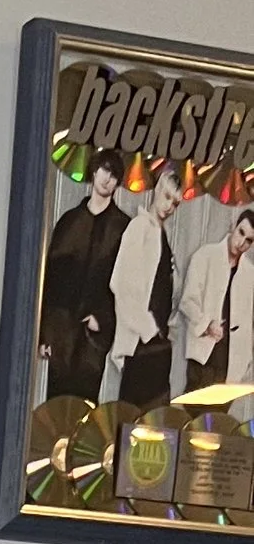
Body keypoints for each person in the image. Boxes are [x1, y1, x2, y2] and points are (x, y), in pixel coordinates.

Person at [41, 151, 129, 400]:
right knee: (55, 409)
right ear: (94, 170)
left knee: (85, 408)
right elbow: (51, 279)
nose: (107, 179)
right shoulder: (69, 221)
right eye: (104, 170)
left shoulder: (123, 227)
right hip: (61, 331)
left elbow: (127, 284)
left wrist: (103, 320)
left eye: (114, 175)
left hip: (93, 337)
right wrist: (44, 334)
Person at [112, 166, 185, 413]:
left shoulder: (161, 235)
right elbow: (121, 284)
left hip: (158, 345)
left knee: (156, 425)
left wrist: (165, 333)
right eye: (166, 197)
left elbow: (167, 292)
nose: (169, 207)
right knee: (132, 421)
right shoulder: (139, 228)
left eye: (175, 204)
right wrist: (148, 330)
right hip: (141, 343)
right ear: (157, 191)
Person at [182, 209, 254, 398]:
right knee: (193, 421)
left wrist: (245, 361)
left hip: (229, 365)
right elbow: (187, 301)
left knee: (218, 422)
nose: (241, 243)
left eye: (249, 240)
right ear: (233, 226)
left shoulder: (250, 274)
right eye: (241, 232)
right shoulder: (205, 256)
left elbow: (248, 322)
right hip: (203, 358)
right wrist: (207, 325)